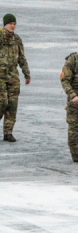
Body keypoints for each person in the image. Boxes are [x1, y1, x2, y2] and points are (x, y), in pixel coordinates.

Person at [0, 13, 30, 142]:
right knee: (2, 103)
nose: (12, 26)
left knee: (12, 106)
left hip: (13, 77)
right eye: (10, 24)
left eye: (14, 24)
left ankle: (8, 132)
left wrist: (26, 73)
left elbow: (22, 58)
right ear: (5, 24)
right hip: (0, 77)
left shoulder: (17, 39)